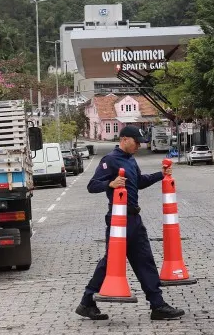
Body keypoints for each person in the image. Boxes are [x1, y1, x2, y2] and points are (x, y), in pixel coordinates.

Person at [75, 126, 186, 321]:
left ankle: (157, 305)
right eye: (136, 141)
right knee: (111, 262)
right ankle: (87, 301)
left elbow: (140, 182)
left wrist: (161, 175)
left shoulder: (131, 161)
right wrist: (110, 184)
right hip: (119, 220)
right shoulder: (109, 160)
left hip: (135, 219)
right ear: (124, 139)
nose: (139, 145)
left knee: (145, 260)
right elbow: (92, 186)